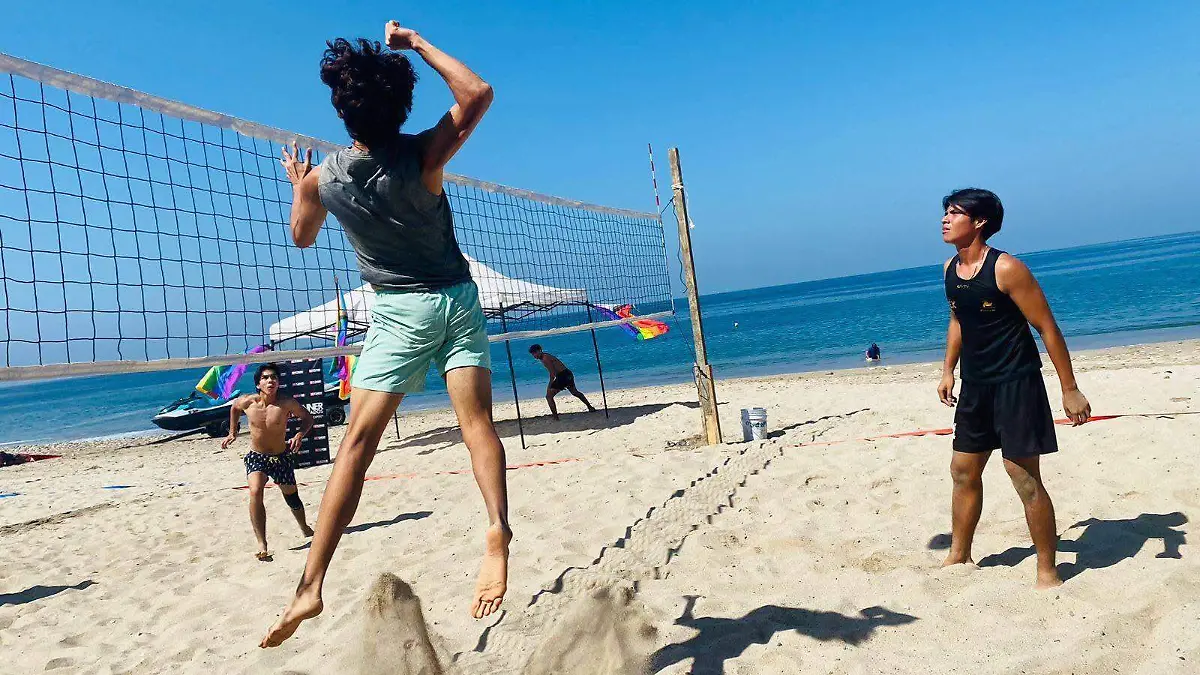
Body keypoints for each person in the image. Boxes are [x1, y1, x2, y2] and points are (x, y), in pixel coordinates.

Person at [261, 20, 509, 648]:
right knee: (476, 428)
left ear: (341, 110)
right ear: (401, 105)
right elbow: (477, 92)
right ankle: (497, 534)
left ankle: (311, 584)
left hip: (400, 312)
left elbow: (301, 236)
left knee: (355, 449)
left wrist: (300, 186)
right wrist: (418, 44)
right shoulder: (423, 153)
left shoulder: (323, 179)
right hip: (456, 300)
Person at [937, 188, 1091, 589]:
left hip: (1016, 383)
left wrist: (1069, 389)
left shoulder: (1007, 269)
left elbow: (1046, 327)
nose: (945, 219)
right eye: (946, 213)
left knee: (1022, 475)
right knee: (962, 470)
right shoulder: (949, 269)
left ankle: (1047, 570)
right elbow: (958, 321)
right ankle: (959, 554)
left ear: (980, 222)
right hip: (975, 386)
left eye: (955, 213)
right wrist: (948, 370)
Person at [222, 363, 316, 561]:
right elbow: (234, 408)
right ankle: (262, 544)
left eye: (274, 377)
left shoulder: (286, 403)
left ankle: (304, 527)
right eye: (265, 378)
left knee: (291, 496)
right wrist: (233, 432)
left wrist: (299, 434)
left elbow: (308, 418)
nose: (270, 380)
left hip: (281, 457)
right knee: (255, 491)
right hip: (257, 457)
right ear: (258, 384)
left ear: (279, 382)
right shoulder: (247, 402)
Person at [529, 344, 597, 421]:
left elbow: (552, 374)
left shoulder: (545, 358)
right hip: (567, 373)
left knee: (549, 397)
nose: (534, 355)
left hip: (563, 376)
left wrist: (550, 385)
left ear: (539, 351)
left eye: (535, 353)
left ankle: (555, 418)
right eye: (532, 354)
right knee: (574, 392)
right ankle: (590, 407)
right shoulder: (545, 356)